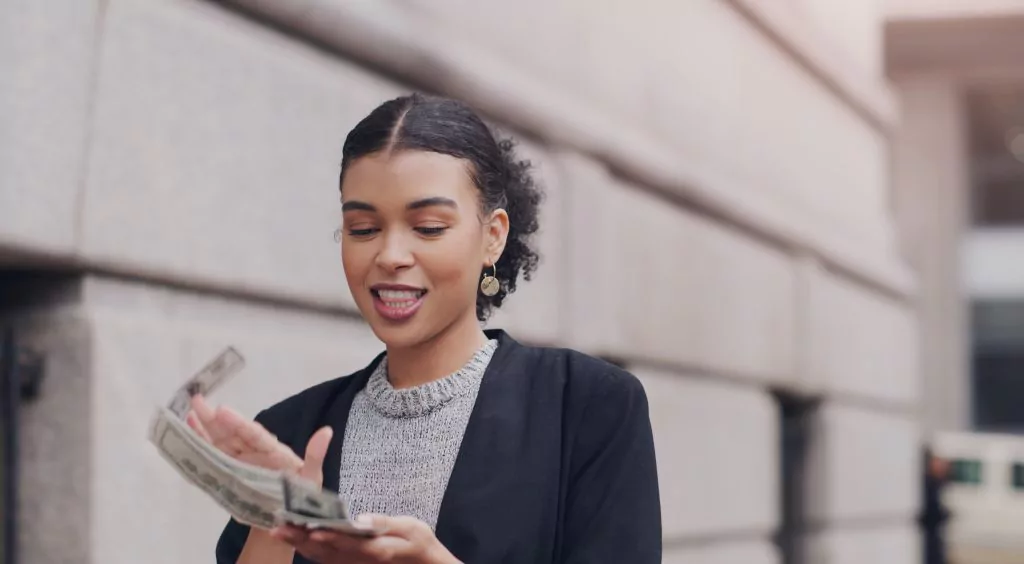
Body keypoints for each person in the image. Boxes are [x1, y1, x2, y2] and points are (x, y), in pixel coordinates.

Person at [187, 93, 662, 564]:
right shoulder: (290, 432)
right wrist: (273, 522)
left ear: (492, 236)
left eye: (429, 227)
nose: (390, 255)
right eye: (363, 229)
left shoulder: (587, 407)